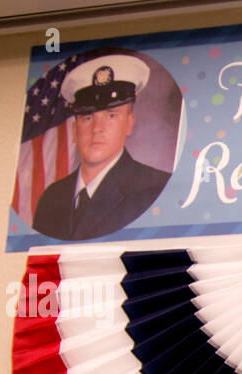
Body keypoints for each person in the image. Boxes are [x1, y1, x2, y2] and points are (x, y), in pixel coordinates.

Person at [32, 54, 171, 241]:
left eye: (111, 115)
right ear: (74, 130)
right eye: (87, 117)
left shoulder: (156, 188)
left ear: (129, 123)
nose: (97, 129)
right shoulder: (51, 199)